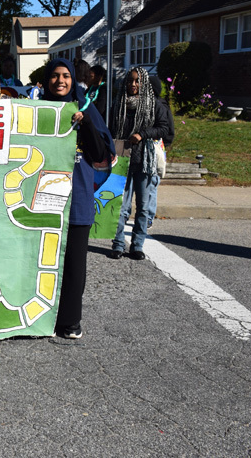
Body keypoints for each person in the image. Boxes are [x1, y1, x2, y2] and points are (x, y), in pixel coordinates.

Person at [42, 58, 114, 339]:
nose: (60, 81)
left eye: (66, 76)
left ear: (73, 80)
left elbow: (100, 154)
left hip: (77, 197)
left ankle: (70, 321)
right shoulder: (37, 109)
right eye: (54, 76)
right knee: (42, 261)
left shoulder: (85, 108)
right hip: (43, 197)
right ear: (46, 80)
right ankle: (41, 319)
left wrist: (86, 125)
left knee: (74, 264)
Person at [109, 67, 171, 261]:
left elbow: (164, 128)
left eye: (137, 81)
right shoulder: (119, 104)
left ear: (143, 83)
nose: (133, 84)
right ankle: (118, 244)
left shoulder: (153, 104)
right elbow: (109, 129)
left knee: (143, 207)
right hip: (122, 159)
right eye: (130, 81)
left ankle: (137, 245)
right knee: (121, 206)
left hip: (144, 160)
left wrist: (142, 134)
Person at [146, 75, 175, 228]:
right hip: (146, 148)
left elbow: (169, 130)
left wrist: (162, 144)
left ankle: (148, 216)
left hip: (154, 147)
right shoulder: (145, 104)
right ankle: (147, 216)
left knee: (152, 182)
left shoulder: (160, 106)